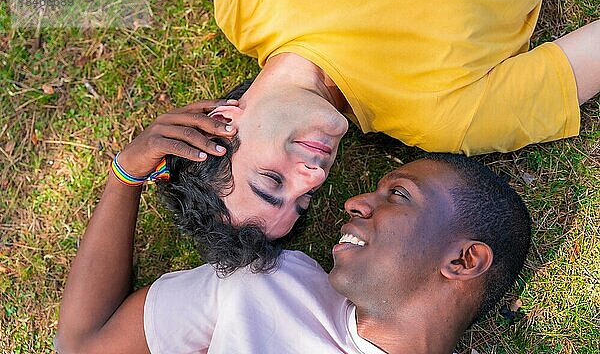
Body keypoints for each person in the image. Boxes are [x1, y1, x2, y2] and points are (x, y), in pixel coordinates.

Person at [117, 0, 599, 272]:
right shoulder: (447, 117)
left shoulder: (242, 4)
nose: (310, 179)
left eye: (271, 181)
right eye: (301, 201)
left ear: (224, 122)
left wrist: (125, 173)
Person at [55, 153, 532, 353]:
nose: (354, 202)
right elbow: (84, 346)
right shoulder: (267, 282)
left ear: (464, 261)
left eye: (400, 195)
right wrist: (126, 175)